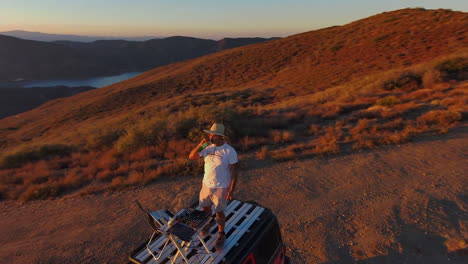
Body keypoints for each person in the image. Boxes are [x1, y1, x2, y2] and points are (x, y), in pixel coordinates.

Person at [188, 123, 238, 250]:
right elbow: (192, 157)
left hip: (221, 187)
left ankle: (221, 233)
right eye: (210, 134)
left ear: (221, 137)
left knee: (219, 212)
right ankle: (208, 223)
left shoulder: (229, 150)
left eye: (213, 135)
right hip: (206, 185)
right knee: (205, 208)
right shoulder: (207, 147)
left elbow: (234, 172)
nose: (210, 136)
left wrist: (231, 190)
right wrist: (200, 145)